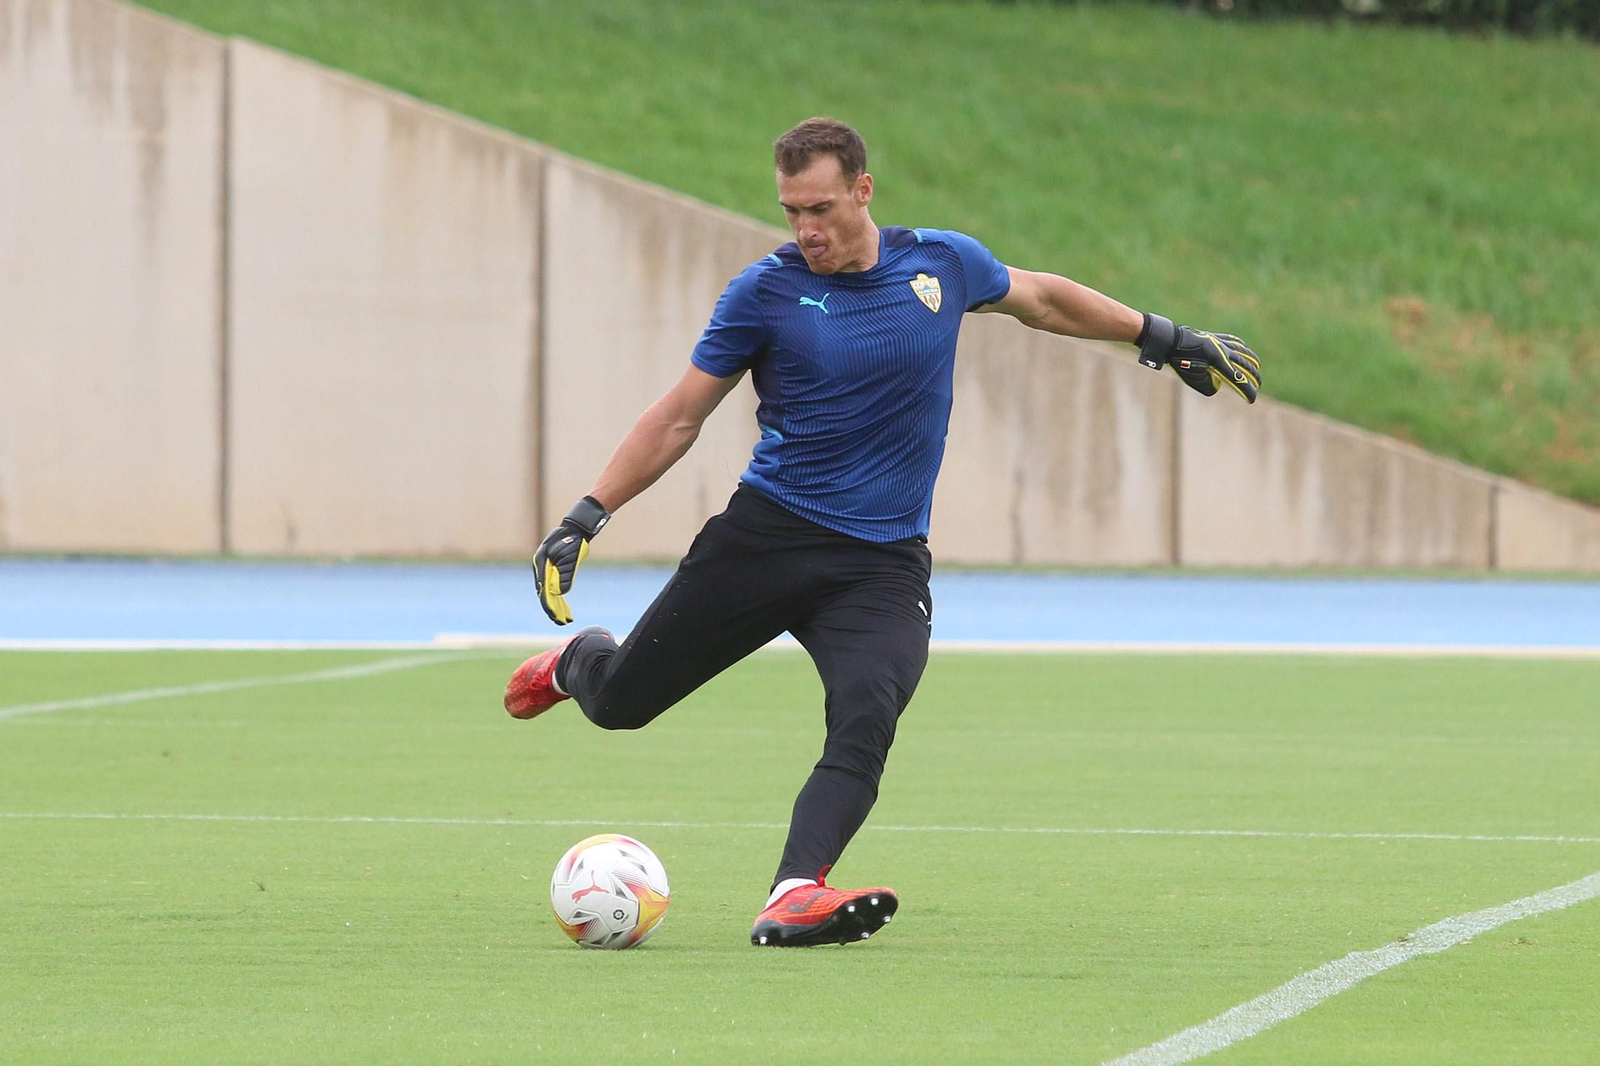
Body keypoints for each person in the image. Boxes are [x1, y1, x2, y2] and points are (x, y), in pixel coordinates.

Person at [504, 117, 1260, 948]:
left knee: (869, 707)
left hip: (883, 564)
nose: (806, 229)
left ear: (863, 190)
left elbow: (1042, 298)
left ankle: (795, 891)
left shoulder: (942, 264)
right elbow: (680, 417)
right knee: (621, 708)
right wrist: (587, 515)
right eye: (791, 211)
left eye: (821, 208)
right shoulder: (765, 292)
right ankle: (581, 662)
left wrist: (1164, 337)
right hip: (766, 540)